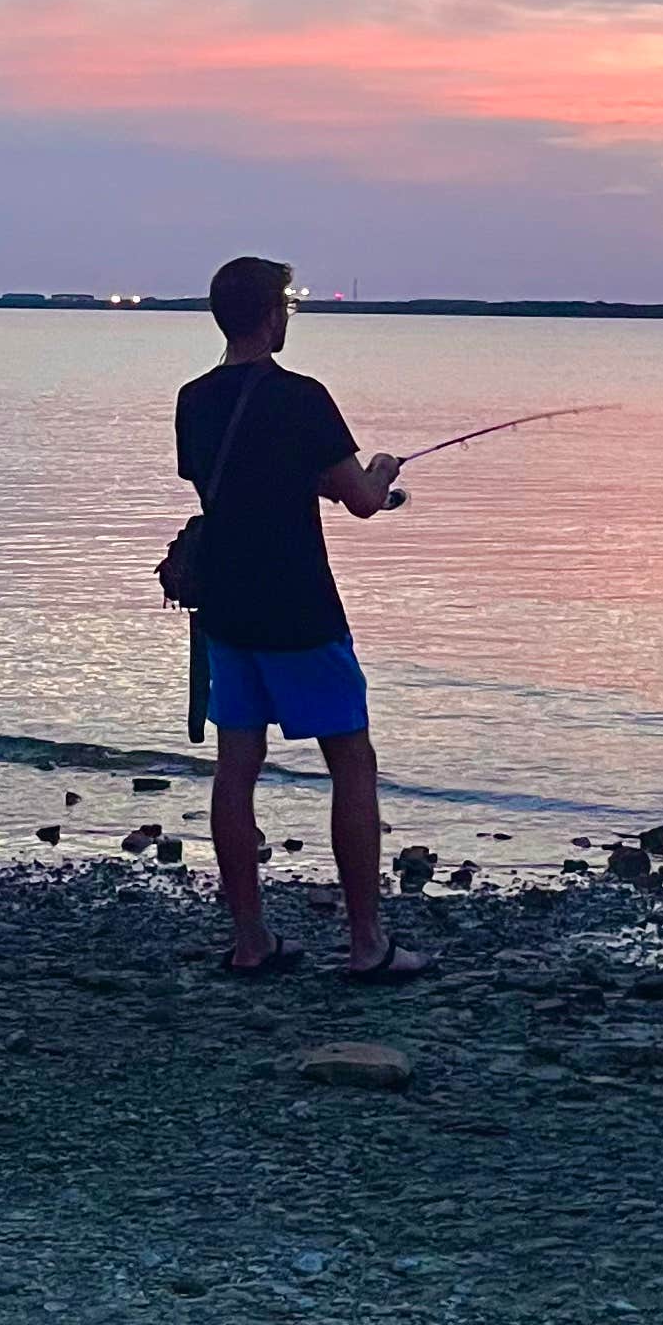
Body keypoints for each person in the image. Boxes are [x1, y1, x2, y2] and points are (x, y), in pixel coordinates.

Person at [174, 253, 414, 980]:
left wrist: (309, 479)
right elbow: (363, 501)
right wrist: (380, 471)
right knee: (351, 762)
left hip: (228, 608)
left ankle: (252, 942)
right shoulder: (303, 396)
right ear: (271, 314)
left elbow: (231, 483)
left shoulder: (193, 399)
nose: (289, 316)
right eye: (287, 305)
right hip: (300, 606)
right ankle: (367, 943)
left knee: (236, 770)